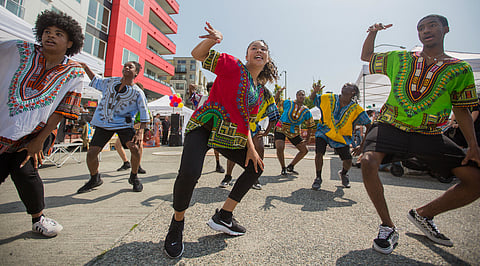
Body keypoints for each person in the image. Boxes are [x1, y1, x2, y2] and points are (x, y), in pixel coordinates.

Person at [360, 15, 480, 255]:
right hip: (391, 124)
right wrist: (372, 32)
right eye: (421, 28)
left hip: (430, 133)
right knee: (367, 161)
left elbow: (462, 108)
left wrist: (473, 146)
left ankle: (424, 214)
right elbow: (367, 57)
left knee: (475, 180)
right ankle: (387, 226)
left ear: (446, 29)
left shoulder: (460, 69)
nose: (426, 31)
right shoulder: (401, 58)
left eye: (432, 25)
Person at [163, 22, 278, 258]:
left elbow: (245, 120)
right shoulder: (233, 65)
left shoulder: (259, 92)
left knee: (255, 167)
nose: (259, 50)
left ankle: (223, 216)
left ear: (267, 59)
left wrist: (251, 149)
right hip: (204, 127)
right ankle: (177, 224)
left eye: (263, 49)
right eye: (254, 47)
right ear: (247, 54)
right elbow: (197, 55)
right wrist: (214, 39)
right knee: (189, 173)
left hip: (229, 137)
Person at [0, 10, 84, 237]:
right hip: (2, 128)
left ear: (70, 42)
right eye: (47, 31)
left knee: (25, 172)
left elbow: (64, 109)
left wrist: (39, 141)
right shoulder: (18, 49)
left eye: (58, 34)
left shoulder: (74, 72)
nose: (51, 36)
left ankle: (38, 219)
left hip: (34, 134)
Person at [77, 61, 149, 193]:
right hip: (103, 123)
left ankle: (134, 176)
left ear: (136, 73)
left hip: (124, 124)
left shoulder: (138, 93)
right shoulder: (110, 82)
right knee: (91, 153)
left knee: (135, 149)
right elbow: (95, 81)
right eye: (125, 66)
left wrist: (140, 132)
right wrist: (86, 67)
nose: (126, 68)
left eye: (130, 67)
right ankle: (94, 178)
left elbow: (144, 113)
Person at [310, 83, 371, 190]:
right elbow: (314, 99)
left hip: (341, 136)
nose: (344, 85)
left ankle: (343, 174)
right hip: (324, 130)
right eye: (344, 85)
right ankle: (318, 178)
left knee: (348, 160)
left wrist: (361, 146)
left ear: (353, 92)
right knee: (319, 153)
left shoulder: (356, 109)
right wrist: (315, 91)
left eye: (348, 85)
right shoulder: (329, 98)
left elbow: (369, 126)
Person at [220, 87, 280, 190]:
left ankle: (254, 178)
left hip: (254, 127)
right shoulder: (246, 87)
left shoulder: (267, 95)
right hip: (239, 124)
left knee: (260, 148)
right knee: (234, 149)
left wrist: (266, 132)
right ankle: (228, 176)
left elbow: (273, 115)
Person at [274, 88, 316, 176]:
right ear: (296, 96)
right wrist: (278, 92)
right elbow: (276, 100)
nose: (301, 96)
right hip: (281, 128)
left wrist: (307, 139)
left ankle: (291, 166)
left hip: (294, 132)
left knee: (304, 150)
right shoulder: (288, 103)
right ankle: (283, 168)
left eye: (303, 95)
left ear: (305, 97)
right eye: (299, 94)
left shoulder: (306, 111)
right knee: (280, 147)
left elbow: (310, 126)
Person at [188, 83, 225, 173]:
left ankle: (217, 164)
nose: (212, 91)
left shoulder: (220, 100)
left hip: (214, 128)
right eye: (210, 89)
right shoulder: (202, 98)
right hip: (201, 128)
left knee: (216, 148)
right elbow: (192, 95)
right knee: (198, 150)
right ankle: (192, 168)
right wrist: (191, 88)